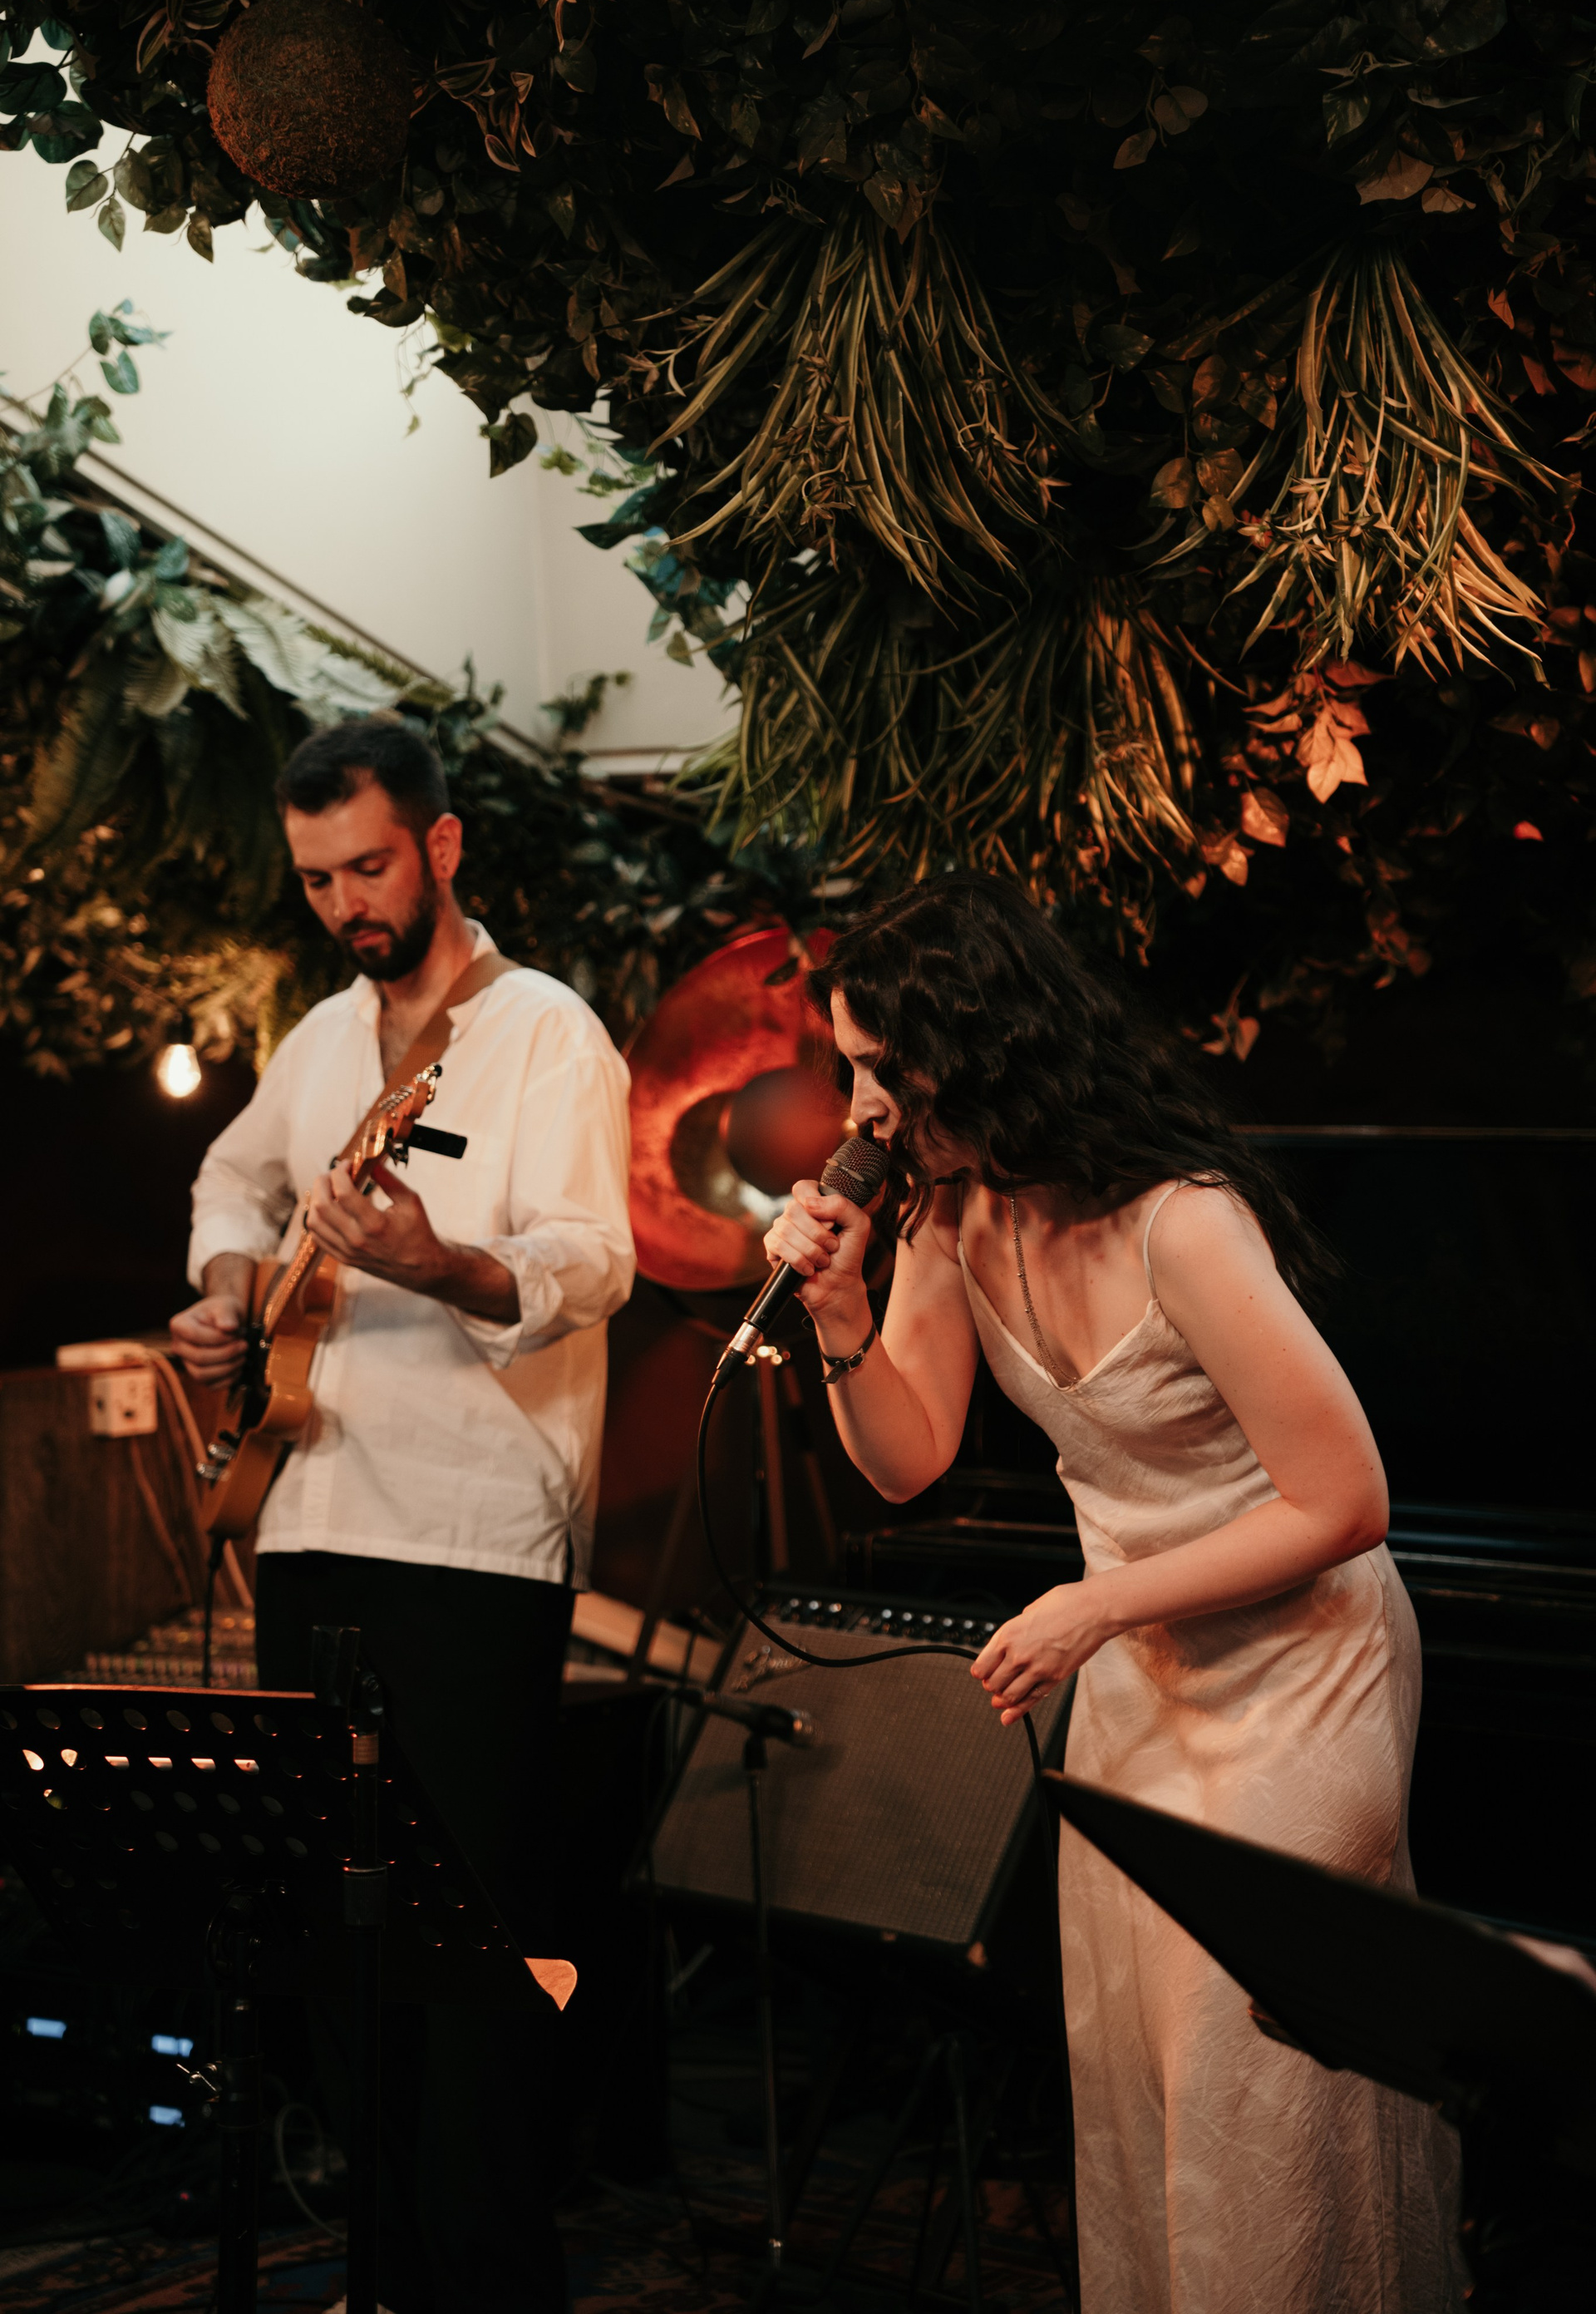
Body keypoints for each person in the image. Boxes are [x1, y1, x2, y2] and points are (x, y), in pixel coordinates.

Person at [762, 873, 1464, 2314]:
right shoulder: (953, 1220)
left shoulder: (1181, 1223)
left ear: (979, 1047)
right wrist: (841, 1320)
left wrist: (1101, 1605)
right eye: (850, 1067)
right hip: (1147, 1684)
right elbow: (907, 1458)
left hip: (1302, 1672)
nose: (863, 1110)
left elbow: (1345, 1502)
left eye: (884, 1067)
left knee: (1248, 2072)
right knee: (1141, 2070)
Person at [170, 716, 634, 2314]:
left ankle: (489, 2285)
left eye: (367, 866)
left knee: (472, 1951)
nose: (345, 903)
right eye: (317, 879)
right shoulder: (316, 1041)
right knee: (334, 1944)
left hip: (471, 1543)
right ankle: (382, 2279)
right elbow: (230, 1182)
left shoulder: (546, 1032)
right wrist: (231, 1291)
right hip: (306, 1524)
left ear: (440, 846)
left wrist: (442, 1263)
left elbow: (595, 1259)